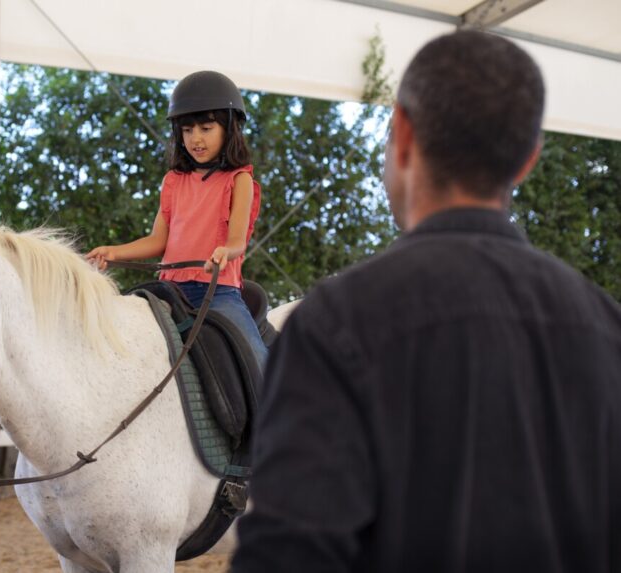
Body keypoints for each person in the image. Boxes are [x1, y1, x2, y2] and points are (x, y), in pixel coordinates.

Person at [232, 30, 621, 573]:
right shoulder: (606, 326)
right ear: (528, 160)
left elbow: (288, 556)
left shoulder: (337, 322)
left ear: (405, 135)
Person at [87, 70, 267, 366]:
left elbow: (237, 241)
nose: (195, 139)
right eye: (187, 131)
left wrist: (225, 251)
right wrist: (114, 252)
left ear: (229, 128)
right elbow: (159, 240)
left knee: (257, 361)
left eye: (206, 128)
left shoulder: (239, 180)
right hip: (169, 289)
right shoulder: (174, 180)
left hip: (217, 291)